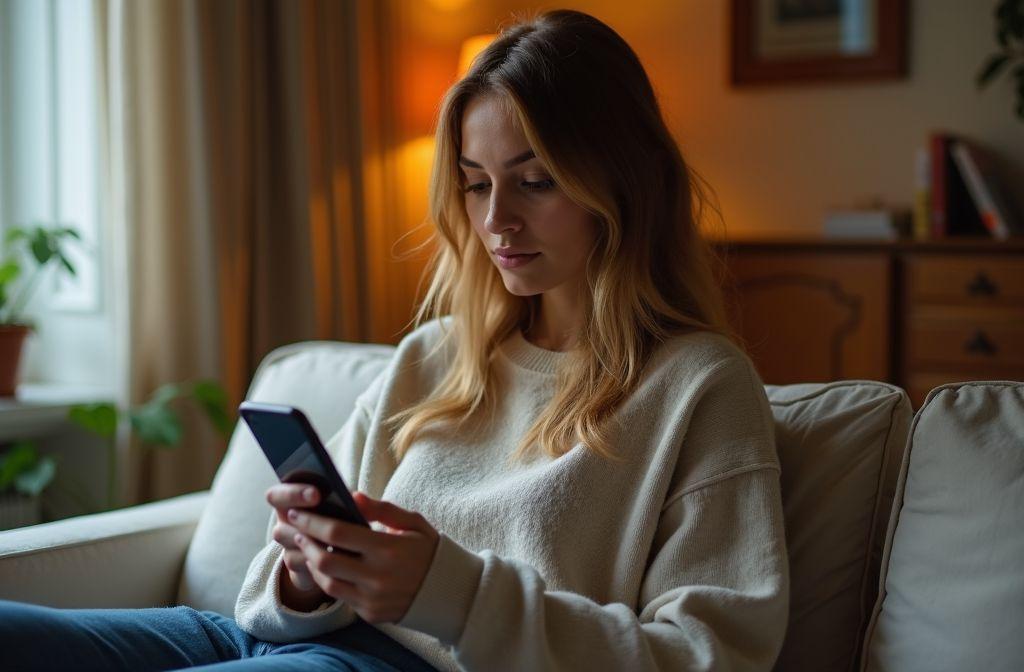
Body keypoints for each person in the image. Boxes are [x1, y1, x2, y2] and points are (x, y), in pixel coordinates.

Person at [0, 8, 788, 671]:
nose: (495, 221)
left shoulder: (698, 386)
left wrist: (446, 594)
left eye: (535, 179)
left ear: (625, 178)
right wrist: (309, 571)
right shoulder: (436, 356)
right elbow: (271, 599)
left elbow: (705, 655)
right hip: (272, 642)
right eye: (476, 183)